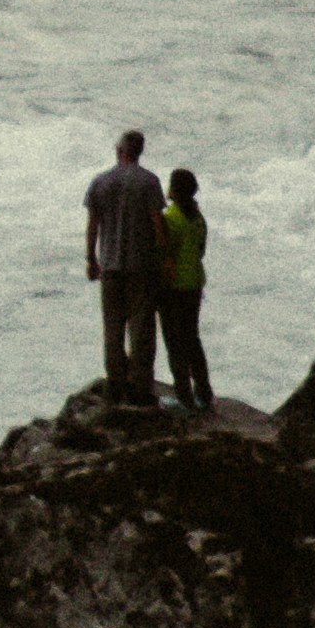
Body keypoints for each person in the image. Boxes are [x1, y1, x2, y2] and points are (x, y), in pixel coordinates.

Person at [82, 128, 164, 406]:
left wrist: (91, 259)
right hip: (141, 267)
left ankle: (115, 385)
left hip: (110, 267)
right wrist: (166, 259)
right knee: (141, 330)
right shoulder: (150, 182)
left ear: (120, 151)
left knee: (113, 329)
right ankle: (140, 387)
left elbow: (93, 225)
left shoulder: (100, 182)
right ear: (139, 152)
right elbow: (157, 224)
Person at [154, 166, 213, 415]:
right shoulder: (198, 218)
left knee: (174, 343)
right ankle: (204, 394)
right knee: (192, 340)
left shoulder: (169, 218)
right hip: (195, 285)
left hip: (173, 287)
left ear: (173, 190)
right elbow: (200, 251)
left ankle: (184, 398)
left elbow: (162, 254)